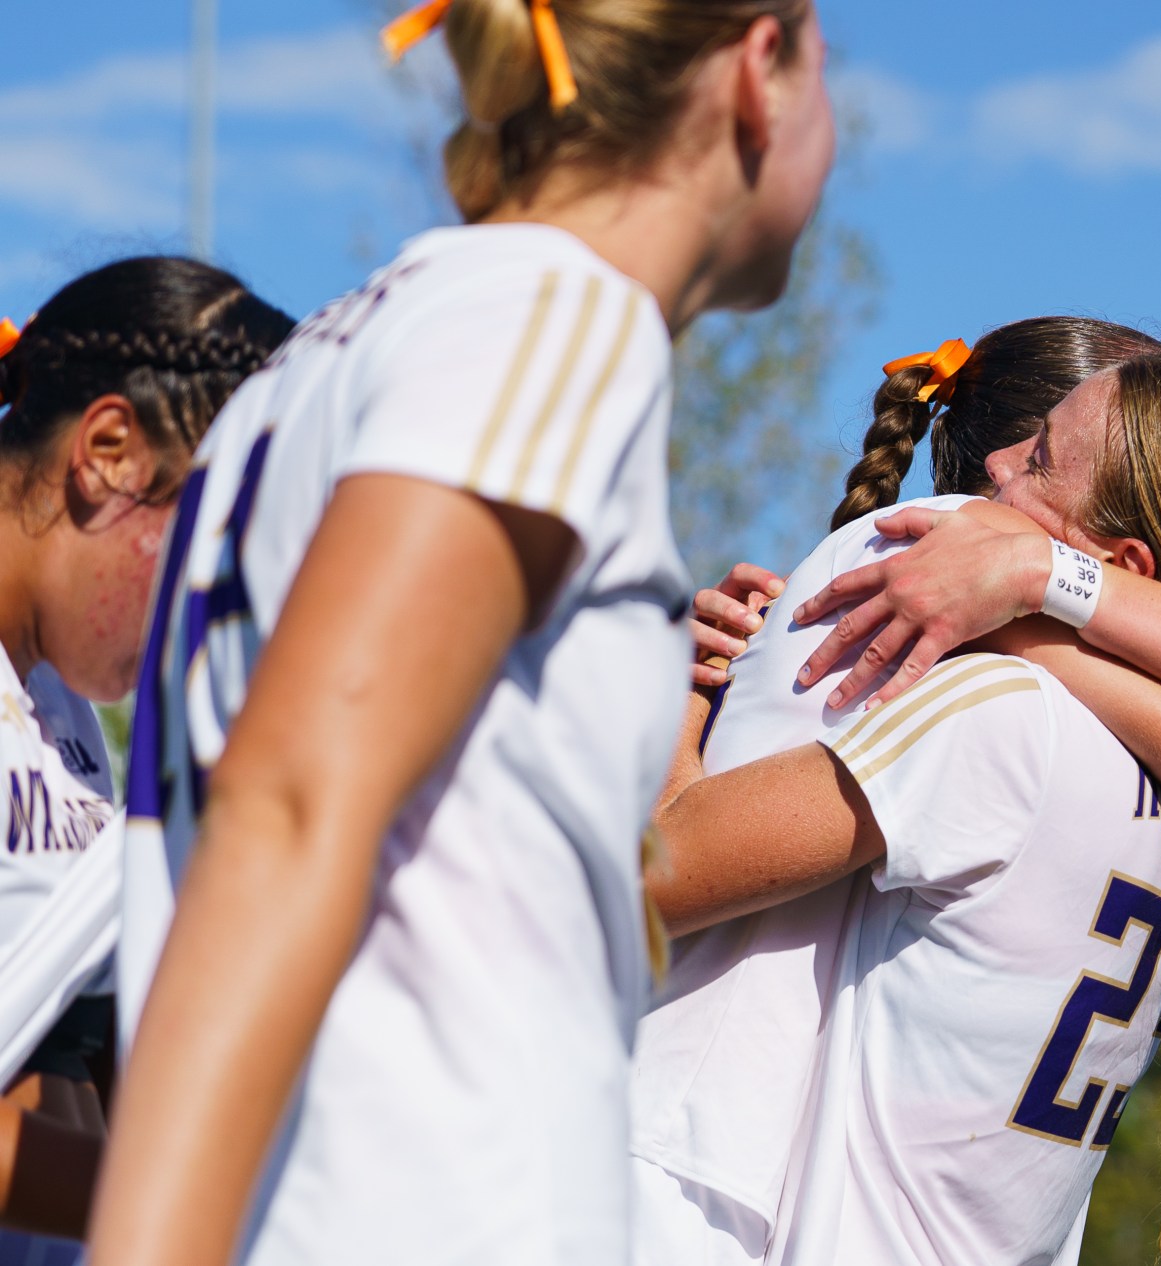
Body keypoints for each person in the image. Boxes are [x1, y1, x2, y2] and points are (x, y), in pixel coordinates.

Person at [88, 1, 835, 1263]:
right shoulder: (553, 314)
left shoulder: (334, 352)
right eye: (831, 69)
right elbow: (292, 805)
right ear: (760, 67)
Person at [635, 344, 1161, 1265]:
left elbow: (649, 880)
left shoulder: (983, 683)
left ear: (1120, 560)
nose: (994, 471)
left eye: (1039, 457)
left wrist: (675, 694)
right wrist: (1042, 623)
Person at [0, 260, 294, 1257]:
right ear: (110, 452)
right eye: (218, 555)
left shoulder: (63, 706)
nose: (207, 620)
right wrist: (250, 1193)